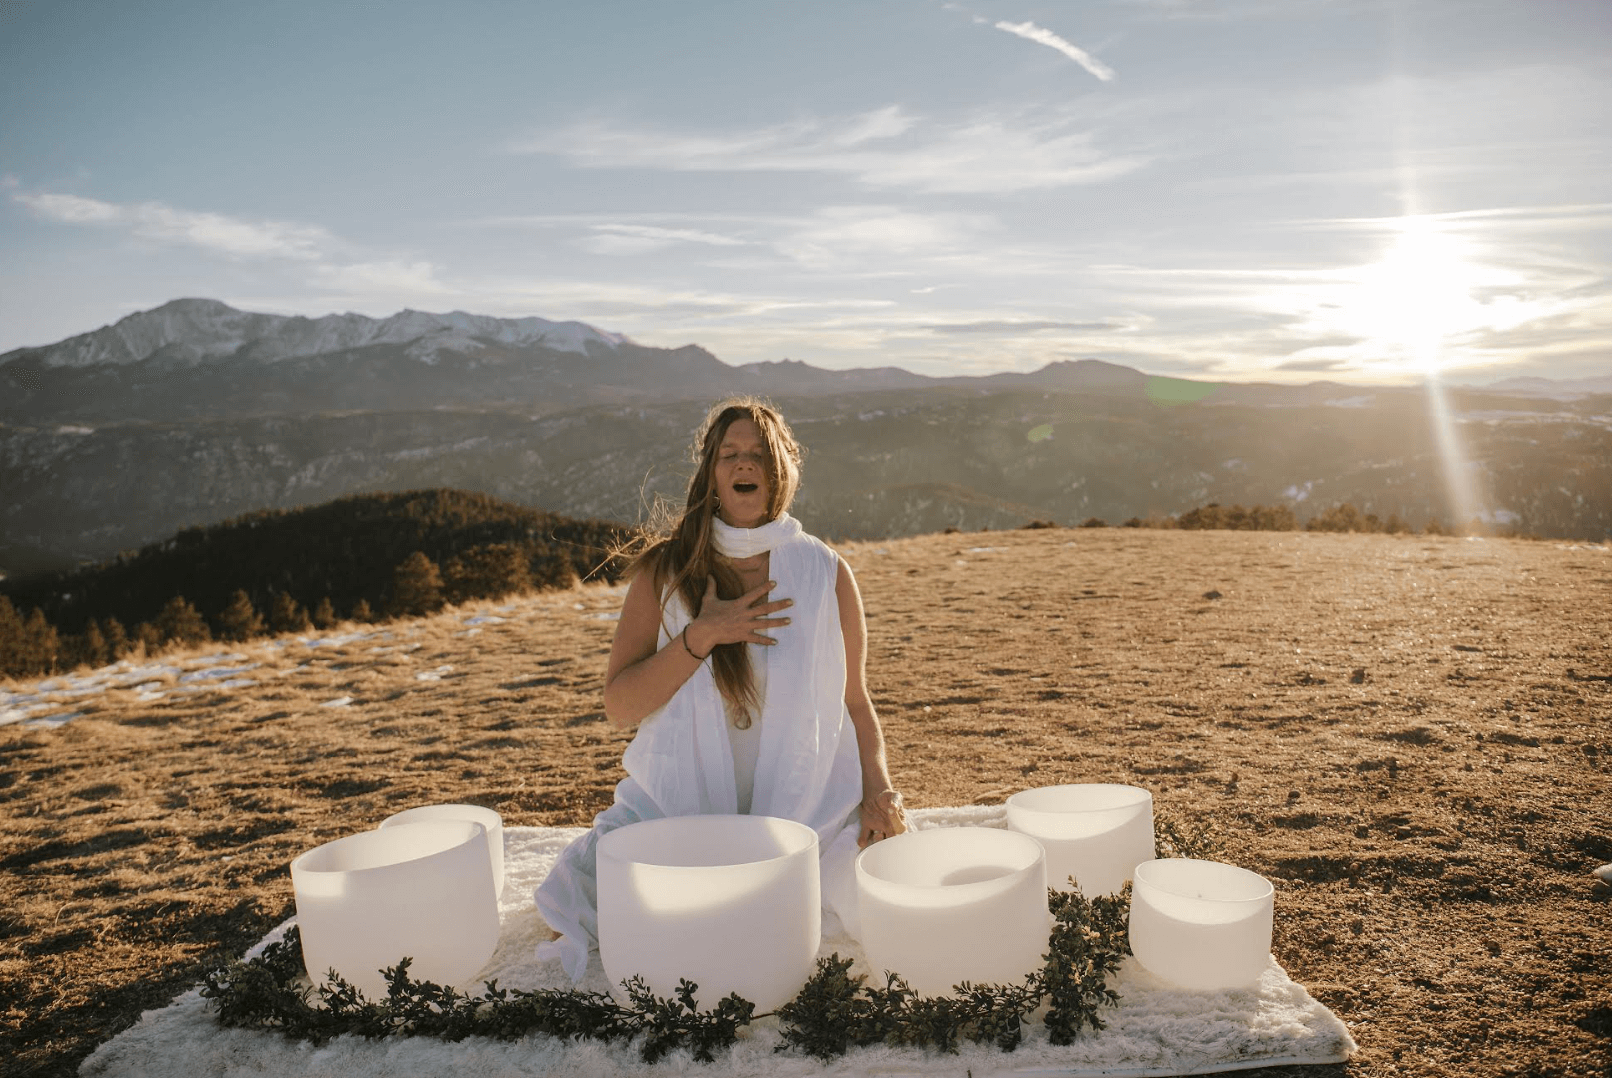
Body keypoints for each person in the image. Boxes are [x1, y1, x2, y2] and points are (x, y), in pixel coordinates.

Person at [534, 397, 909, 981]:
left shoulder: (825, 571)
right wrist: (701, 636)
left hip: (810, 804)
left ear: (780, 470)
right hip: (675, 803)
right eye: (730, 453)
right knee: (570, 904)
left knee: (882, 900)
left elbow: (855, 702)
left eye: (759, 454)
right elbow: (620, 706)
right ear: (712, 471)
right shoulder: (666, 571)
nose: (745, 463)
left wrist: (879, 787)